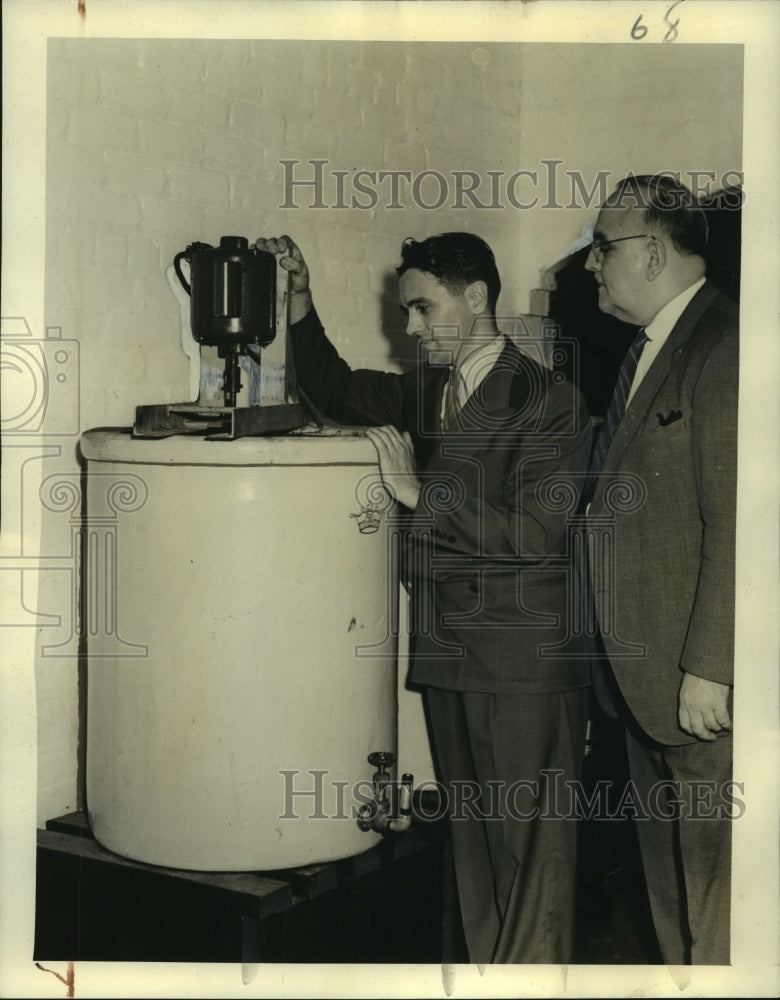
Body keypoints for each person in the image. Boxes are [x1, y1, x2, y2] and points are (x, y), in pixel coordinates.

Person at [255, 231, 591, 964]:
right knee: (475, 862)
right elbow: (337, 388)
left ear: (476, 298)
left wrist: (418, 491)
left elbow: (538, 532)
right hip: (449, 660)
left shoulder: (549, 399)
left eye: (422, 308)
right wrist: (300, 303)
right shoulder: (426, 390)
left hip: (522, 670)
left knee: (535, 873)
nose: (410, 327)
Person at [582, 175, 738, 964]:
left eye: (602, 247)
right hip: (644, 684)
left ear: (649, 251)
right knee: (671, 894)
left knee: (719, 907)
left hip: (697, 687)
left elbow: (743, 524)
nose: (590, 265)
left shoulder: (727, 345)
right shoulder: (648, 349)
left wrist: (711, 666)